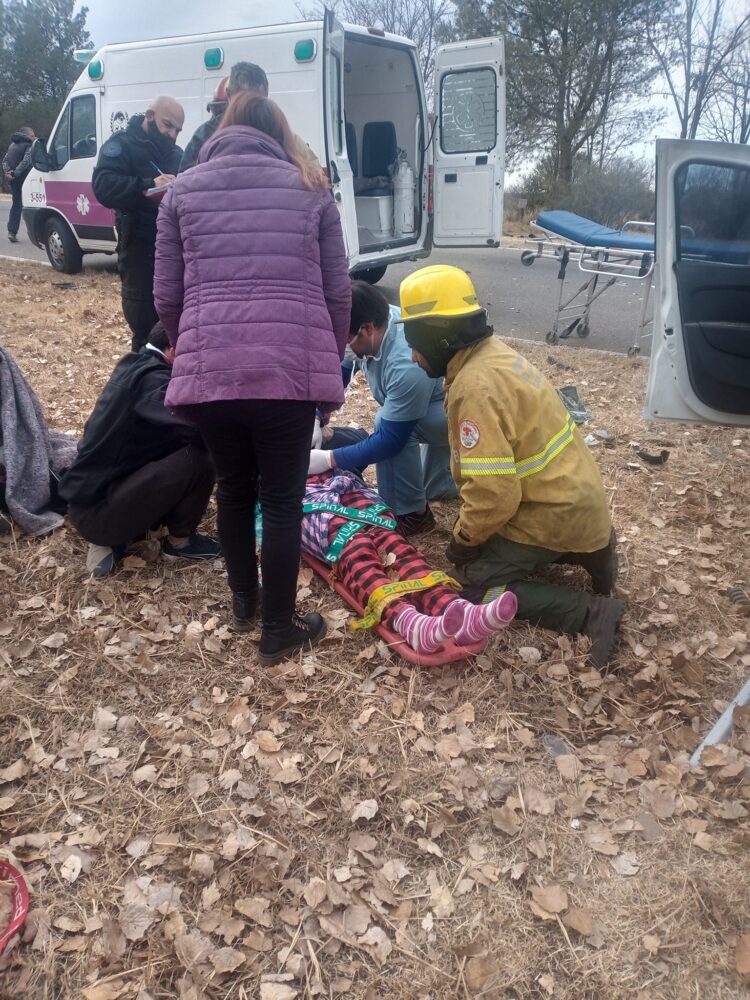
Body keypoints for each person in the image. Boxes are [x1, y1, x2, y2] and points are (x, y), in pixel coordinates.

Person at [153, 93, 351, 666]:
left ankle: (244, 603)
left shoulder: (181, 191)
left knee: (233, 490)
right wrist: (326, 361)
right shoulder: (312, 188)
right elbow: (339, 293)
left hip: (212, 370)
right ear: (279, 135)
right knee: (283, 502)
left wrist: (190, 344)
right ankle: (277, 630)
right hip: (288, 370)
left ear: (223, 130)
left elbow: (167, 295)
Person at [399, 264, 624, 668]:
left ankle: (589, 613)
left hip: (549, 514)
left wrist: (463, 540)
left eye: (415, 344)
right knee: (492, 543)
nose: (413, 357)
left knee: (470, 583)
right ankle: (597, 552)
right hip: (580, 504)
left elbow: (495, 495)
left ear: (439, 337)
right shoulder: (495, 356)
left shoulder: (473, 387)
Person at [59, 322, 220, 578]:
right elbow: (202, 427)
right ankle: (179, 543)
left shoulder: (134, 365)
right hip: (98, 515)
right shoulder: (154, 383)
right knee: (201, 456)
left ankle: (134, 527)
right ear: (174, 351)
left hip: (90, 499)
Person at [301, 469, 517, 655]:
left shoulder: (323, 448)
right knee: (356, 551)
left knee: (397, 547)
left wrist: (327, 451)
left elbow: (353, 442)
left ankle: (457, 609)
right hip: (312, 507)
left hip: (353, 498)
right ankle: (410, 623)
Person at [308, 281, 456, 536]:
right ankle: (440, 485)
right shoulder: (375, 320)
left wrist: (327, 459)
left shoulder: (405, 364)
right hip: (435, 397)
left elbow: (391, 440)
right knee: (396, 423)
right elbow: (340, 372)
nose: (341, 347)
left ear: (367, 329)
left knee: (388, 423)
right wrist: (318, 415)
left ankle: (413, 514)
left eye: (344, 339)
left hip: (455, 411)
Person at [92, 96, 184, 351]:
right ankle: (142, 385)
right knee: (144, 332)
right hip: (139, 251)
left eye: (177, 130)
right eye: (168, 125)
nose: (172, 134)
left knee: (175, 331)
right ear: (150, 115)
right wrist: (147, 185)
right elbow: (104, 186)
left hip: (174, 250)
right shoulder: (122, 145)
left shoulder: (176, 153)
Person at [3, 127, 36, 243]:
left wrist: (8, 172)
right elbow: (27, 161)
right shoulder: (28, 145)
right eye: (32, 135)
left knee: (16, 205)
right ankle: (37, 233)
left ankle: (12, 232)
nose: (34, 137)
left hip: (14, 179)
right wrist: (16, 173)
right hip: (24, 179)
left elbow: (5, 160)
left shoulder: (12, 145)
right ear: (26, 136)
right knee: (34, 204)